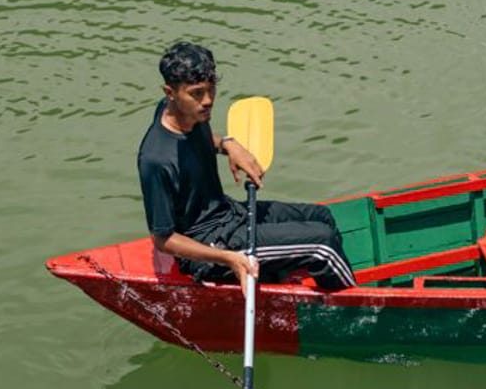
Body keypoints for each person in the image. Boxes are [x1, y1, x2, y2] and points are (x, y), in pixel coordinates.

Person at [135, 41, 356, 291]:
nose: (208, 101)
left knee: (322, 217)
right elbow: (163, 239)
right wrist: (229, 258)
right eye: (196, 93)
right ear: (170, 92)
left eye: (211, 89)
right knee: (322, 245)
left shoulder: (188, 113)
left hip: (230, 213)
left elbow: (195, 140)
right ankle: (356, 310)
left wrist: (228, 144)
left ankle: (290, 278)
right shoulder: (155, 160)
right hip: (210, 245)